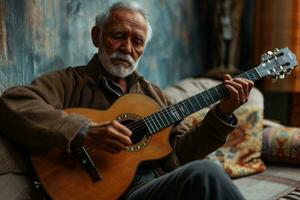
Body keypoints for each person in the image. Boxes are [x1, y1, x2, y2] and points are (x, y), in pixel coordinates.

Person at [0, 1, 254, 199]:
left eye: (137, 41)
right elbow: (14, 103)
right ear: (97, 36)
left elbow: (182, 155)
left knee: (203, 175)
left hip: (152, 189)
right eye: (118, 35)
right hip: (95, 193)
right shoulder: (69, 82)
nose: (127, 47)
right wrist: (84, 130)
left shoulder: (153, 95)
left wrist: (221, 115)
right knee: (207, 173)